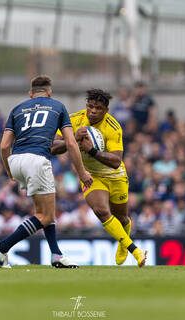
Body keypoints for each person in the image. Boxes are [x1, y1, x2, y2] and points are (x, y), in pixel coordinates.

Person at [0, 75, 93, 268]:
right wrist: (82, 172)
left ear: (30, 94)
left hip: (16, 160)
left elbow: (4, 146)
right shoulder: (58, 107)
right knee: (45, 216)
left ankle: (56, 255)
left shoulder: (17, 109)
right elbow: (70, 143)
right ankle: (2, 247)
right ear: (50, 92)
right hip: (37, 160)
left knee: (45, 212)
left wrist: (9, 170)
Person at [52, 89, 147, 267]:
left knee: (123, 219)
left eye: (98, 108)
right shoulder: (73, 120)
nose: (93, 111)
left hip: (115, 176)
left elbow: (116, 161)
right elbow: (52, 147)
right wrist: (70, 140)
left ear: (106, 110)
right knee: (101, 211)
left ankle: (122, 242)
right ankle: (136, 250)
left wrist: (91, 150)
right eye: (90, 106)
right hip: (90, 174)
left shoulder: (113, 126)